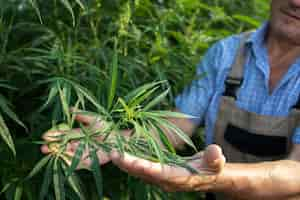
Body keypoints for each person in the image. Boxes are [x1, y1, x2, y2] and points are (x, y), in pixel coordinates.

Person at [42, 0, 300, 199]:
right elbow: (177, 129)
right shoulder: (226, 52)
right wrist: (117, 139)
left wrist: (213, 178)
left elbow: (296, 172)